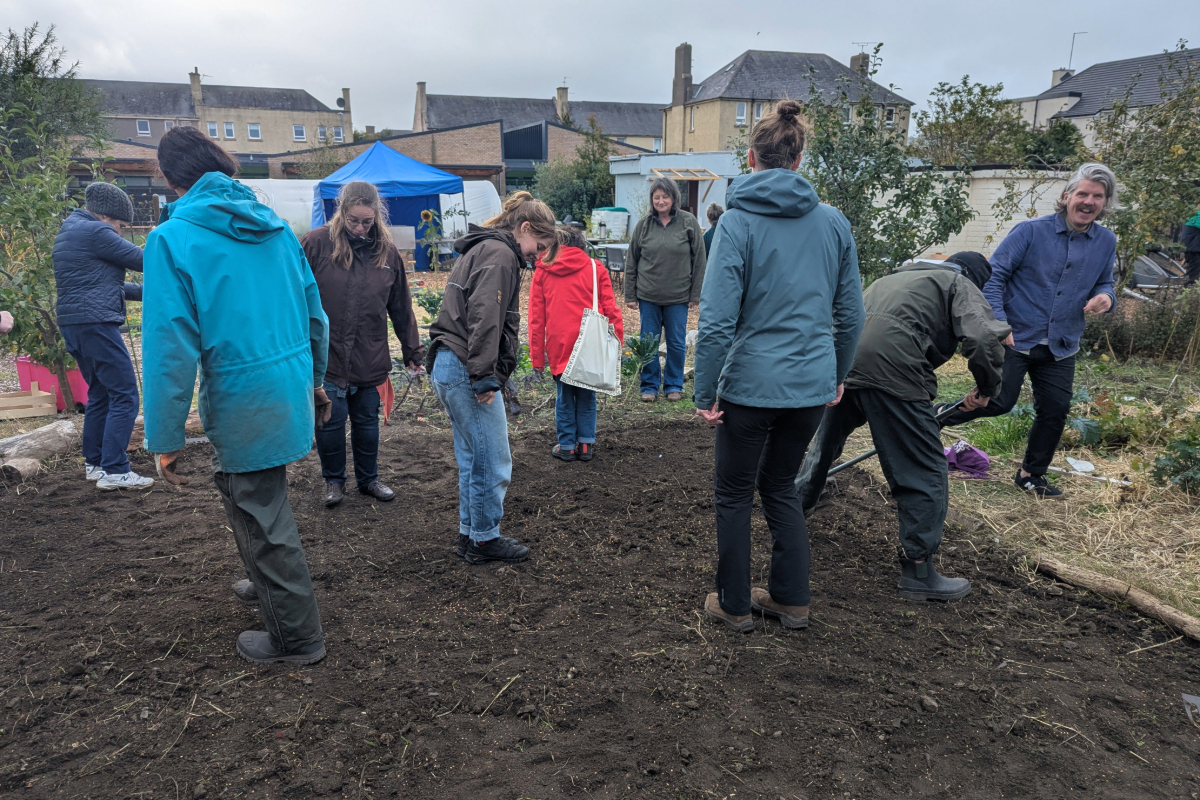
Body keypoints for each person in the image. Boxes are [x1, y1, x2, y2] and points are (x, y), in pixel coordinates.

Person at [142, 125, 330, 665]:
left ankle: (298, 639)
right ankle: (265, 582)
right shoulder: (276, 228)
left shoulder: (173, 239)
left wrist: (165, 434)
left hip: (242, 392)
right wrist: (314, 380)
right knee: (254, 494)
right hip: (288, 381)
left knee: (260, 510)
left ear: (171, 179)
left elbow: (167, 349)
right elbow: (315, 314)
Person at [693, 100, 864, 633]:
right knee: (782, 486)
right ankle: (792, 600)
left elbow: (718, 319)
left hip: (750, 385)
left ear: (750, 158)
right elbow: (851, 313)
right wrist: (836, 374)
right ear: (798, 159)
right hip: (811, 386)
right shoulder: (834, 222)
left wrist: (704, 392)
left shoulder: (737, 224)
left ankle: (735, 603)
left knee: (734, 493)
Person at [796, 252, 1012, 601]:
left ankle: (793, 511)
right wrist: (988, 389)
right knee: (924, 469)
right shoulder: (960, 282)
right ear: (974, 277)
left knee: (825, 445)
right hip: (894, 368)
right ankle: (919, 571)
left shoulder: (893, 278)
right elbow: (984, 338)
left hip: (845, 363)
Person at [937, 163, 1118, 499]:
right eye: (1083, 193)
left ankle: (1031, 474)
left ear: (1105, 203)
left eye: (1097, 196)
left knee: (1055, 409)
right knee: (997, 401)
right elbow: (995, 276)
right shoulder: (1030, 232)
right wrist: (999, 325)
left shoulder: (1106, 241)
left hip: (1062, 343)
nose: (1089, 201)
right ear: (1066, 197)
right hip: (1016, 335)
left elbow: (1107, 281)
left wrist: (1107, 296)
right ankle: (936, 416)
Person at [426, 191, 557, 565]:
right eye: (539, 246)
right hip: (468, 367)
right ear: (525, 228)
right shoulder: (500, 255)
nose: (538, 256)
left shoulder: (481, 249)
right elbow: (484, 317)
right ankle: (485, 540)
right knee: (493, 459)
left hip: (450, 363)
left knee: (473, 457)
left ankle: (471, 535)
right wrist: (485, 376)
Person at [302, 181, 424, 508]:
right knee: (329, 421)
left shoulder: (386, 253)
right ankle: (334, 482)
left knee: (367, 423)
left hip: (370, 356)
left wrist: (413, 351)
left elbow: (401, 306)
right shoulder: (316, 244)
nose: (359, 227)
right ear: (341, 213)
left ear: (376, 218)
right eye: (353, 220)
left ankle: (368, 480)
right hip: (327, 356)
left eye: (367, 222)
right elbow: (294, 299)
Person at [52, 181, 152, 490]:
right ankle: (116, 469)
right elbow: (147, 261)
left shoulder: (71, 231)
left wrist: (152, 294)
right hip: (95, 324)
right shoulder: (97, 232)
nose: (120, 232)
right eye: (121, 225)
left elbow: (105, 287)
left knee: (100, 394)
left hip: (75, 325)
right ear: (108, 216)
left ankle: (95, 463)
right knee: (125, 394)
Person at [529, 225, 624, 462]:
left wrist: (537, 358)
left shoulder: (543, 271)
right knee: (587, 395)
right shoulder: (595, 268)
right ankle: (586, 445)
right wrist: (616, 344)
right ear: (582, 244)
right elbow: (610, 309)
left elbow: (536, 320)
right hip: (589, 342)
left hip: (559, 343)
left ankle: (567, 446)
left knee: (564, 396)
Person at [625, 177, 706, 403]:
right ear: (652, 200)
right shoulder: (643, 225)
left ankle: (673, 385)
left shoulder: (688, 223)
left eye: (665, 197)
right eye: (657, 197)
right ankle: (649, 385)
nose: (661, 201)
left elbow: (700, 261)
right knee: (648, 341)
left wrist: (695, 295)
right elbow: (632, 260)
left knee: (677, 343)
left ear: (674, 198)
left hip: (678, 297)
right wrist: (630, 294)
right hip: (648, 296)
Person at [1182, 207, 1200, 284]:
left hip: (1192, 249)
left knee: (1193, 274)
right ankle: (1187, 292)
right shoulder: (1197, 216)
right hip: (1194, 250)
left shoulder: (1191, 215)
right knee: (1192, 277)